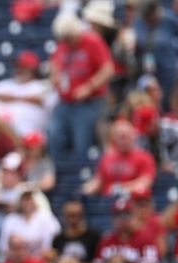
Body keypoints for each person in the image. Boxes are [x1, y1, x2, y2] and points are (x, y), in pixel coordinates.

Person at [48, 10, 115, 161]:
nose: (67, 42)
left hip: (89, 101)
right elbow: (54, 62)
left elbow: (108, 69)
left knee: (81, 140)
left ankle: (79, 173)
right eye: (64, 39)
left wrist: (89, 86)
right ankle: (61, 172)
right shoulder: (62, 44)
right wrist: (54, 76)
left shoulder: (92, 41)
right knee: (54, 135)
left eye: (69, 38)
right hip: (65, 101)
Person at [133, 0, 178, 110]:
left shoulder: (169, 19)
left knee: (165, 102)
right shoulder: (138, 22)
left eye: (151, 17)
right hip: (145, 71)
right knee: (146, 102)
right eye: (146, 19)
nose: (149, 21)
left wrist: (174, 56)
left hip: (168, 70)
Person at [0, 50, 55, 137]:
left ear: (32, 69)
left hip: (30, 136)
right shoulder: (5, 84)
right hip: (2, 134)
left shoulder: (41, 85)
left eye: (22, 66)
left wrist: (13, 98)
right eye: (17, 66)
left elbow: (45, 100)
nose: (18, 69)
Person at [82, 119, 156, 196]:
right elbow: (99, 180)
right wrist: (85, 190)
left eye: (126, 136)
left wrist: (122, 189)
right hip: (108, 200)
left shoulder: (144, 157)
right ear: (114, 138)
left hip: (131, 199)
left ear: (133, 136)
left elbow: (145, 182)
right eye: (120, 137)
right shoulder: (107, 157)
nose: (124, 140)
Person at [95, 198, 161, 263]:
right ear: (113, 219)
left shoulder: (145, 239)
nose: (122, 219)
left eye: (126, 214)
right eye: (118, 215)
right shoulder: (105, 240)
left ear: (133, 216)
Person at [131, 102, 178, 172]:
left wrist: (174, 165)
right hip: (153, 173)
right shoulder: (141, 134)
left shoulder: (175, 130)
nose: (144, 130)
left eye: (146, 125)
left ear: (154, 121)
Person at [0, 187, 60, 258]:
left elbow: (51, 242)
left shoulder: (46, 217)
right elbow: (3, 246)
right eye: (24, 199)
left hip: (41, 259)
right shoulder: (10, 219)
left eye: (29, 199)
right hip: (16, 260)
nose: (27, 202)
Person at [51, 199, 101, 263]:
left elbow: (98, 262)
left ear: (82, 215)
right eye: (70, 215)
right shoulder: (58, 239)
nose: (74, 219)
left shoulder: (94, 236)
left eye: (77, 215)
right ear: (64, 216)